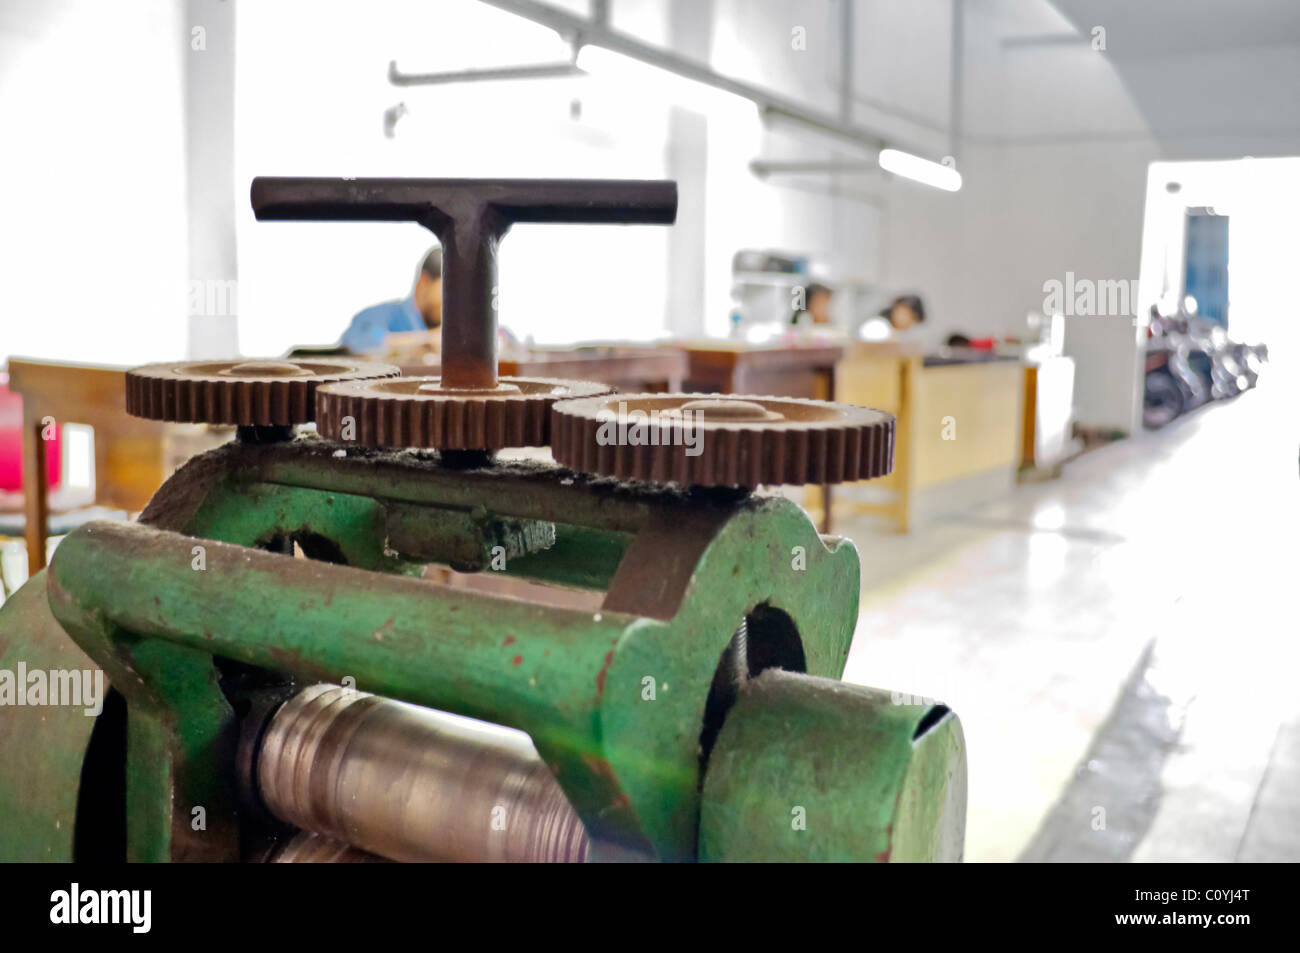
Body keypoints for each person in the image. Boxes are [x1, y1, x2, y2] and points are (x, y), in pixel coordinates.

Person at [341, 247, 442, 353]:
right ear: (424, 282)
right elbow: (360, 340)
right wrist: (427, 340)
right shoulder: (385, 316)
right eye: (450, 289)